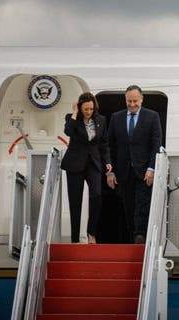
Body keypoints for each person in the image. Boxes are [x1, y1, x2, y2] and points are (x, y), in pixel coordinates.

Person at [106, 85, 162, 244]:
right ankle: (133, 236)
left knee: (142, 203)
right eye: (129, 101)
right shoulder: (117, 117)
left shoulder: (152, 117)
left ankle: (140, 235)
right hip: (123, 170)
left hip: (144, 170)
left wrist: (152, 167)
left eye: (135, 101)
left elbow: (156, 144)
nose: (132, 104)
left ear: (142, 99)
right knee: (128, 205)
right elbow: (109, 145)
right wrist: (110, 170)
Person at [60, 92, 112, 244]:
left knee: (96, 196)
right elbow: (68, 132)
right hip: (75, 163)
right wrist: (75, 113)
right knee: (75, 201)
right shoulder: (72, 118)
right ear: (80, 107)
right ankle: (75, 238)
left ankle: (91, 233)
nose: (88, 112)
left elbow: (104, 143)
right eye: (85, 109)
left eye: (91, 109)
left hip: (93, 163)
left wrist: (107, 160)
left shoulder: (101, 120)